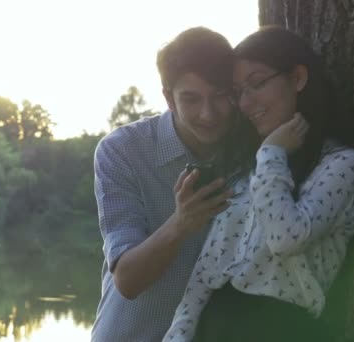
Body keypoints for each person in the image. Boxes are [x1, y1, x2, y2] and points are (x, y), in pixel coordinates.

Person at [163, 26, 354, 342]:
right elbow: (205, 274)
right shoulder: (246, 169)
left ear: (298, 78)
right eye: (238, 91)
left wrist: (272, 152)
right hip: (213, 329)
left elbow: (286, 238)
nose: (245, 103)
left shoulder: (342, 165)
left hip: (282, 329)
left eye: (256, 84)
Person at [91, 27, 246, 342]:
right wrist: (180, 224)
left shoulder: (254, 148)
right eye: (191, 98)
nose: (208, 113)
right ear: (168, 98)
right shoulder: (123, 150)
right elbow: (128, 281)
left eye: (220, 97)